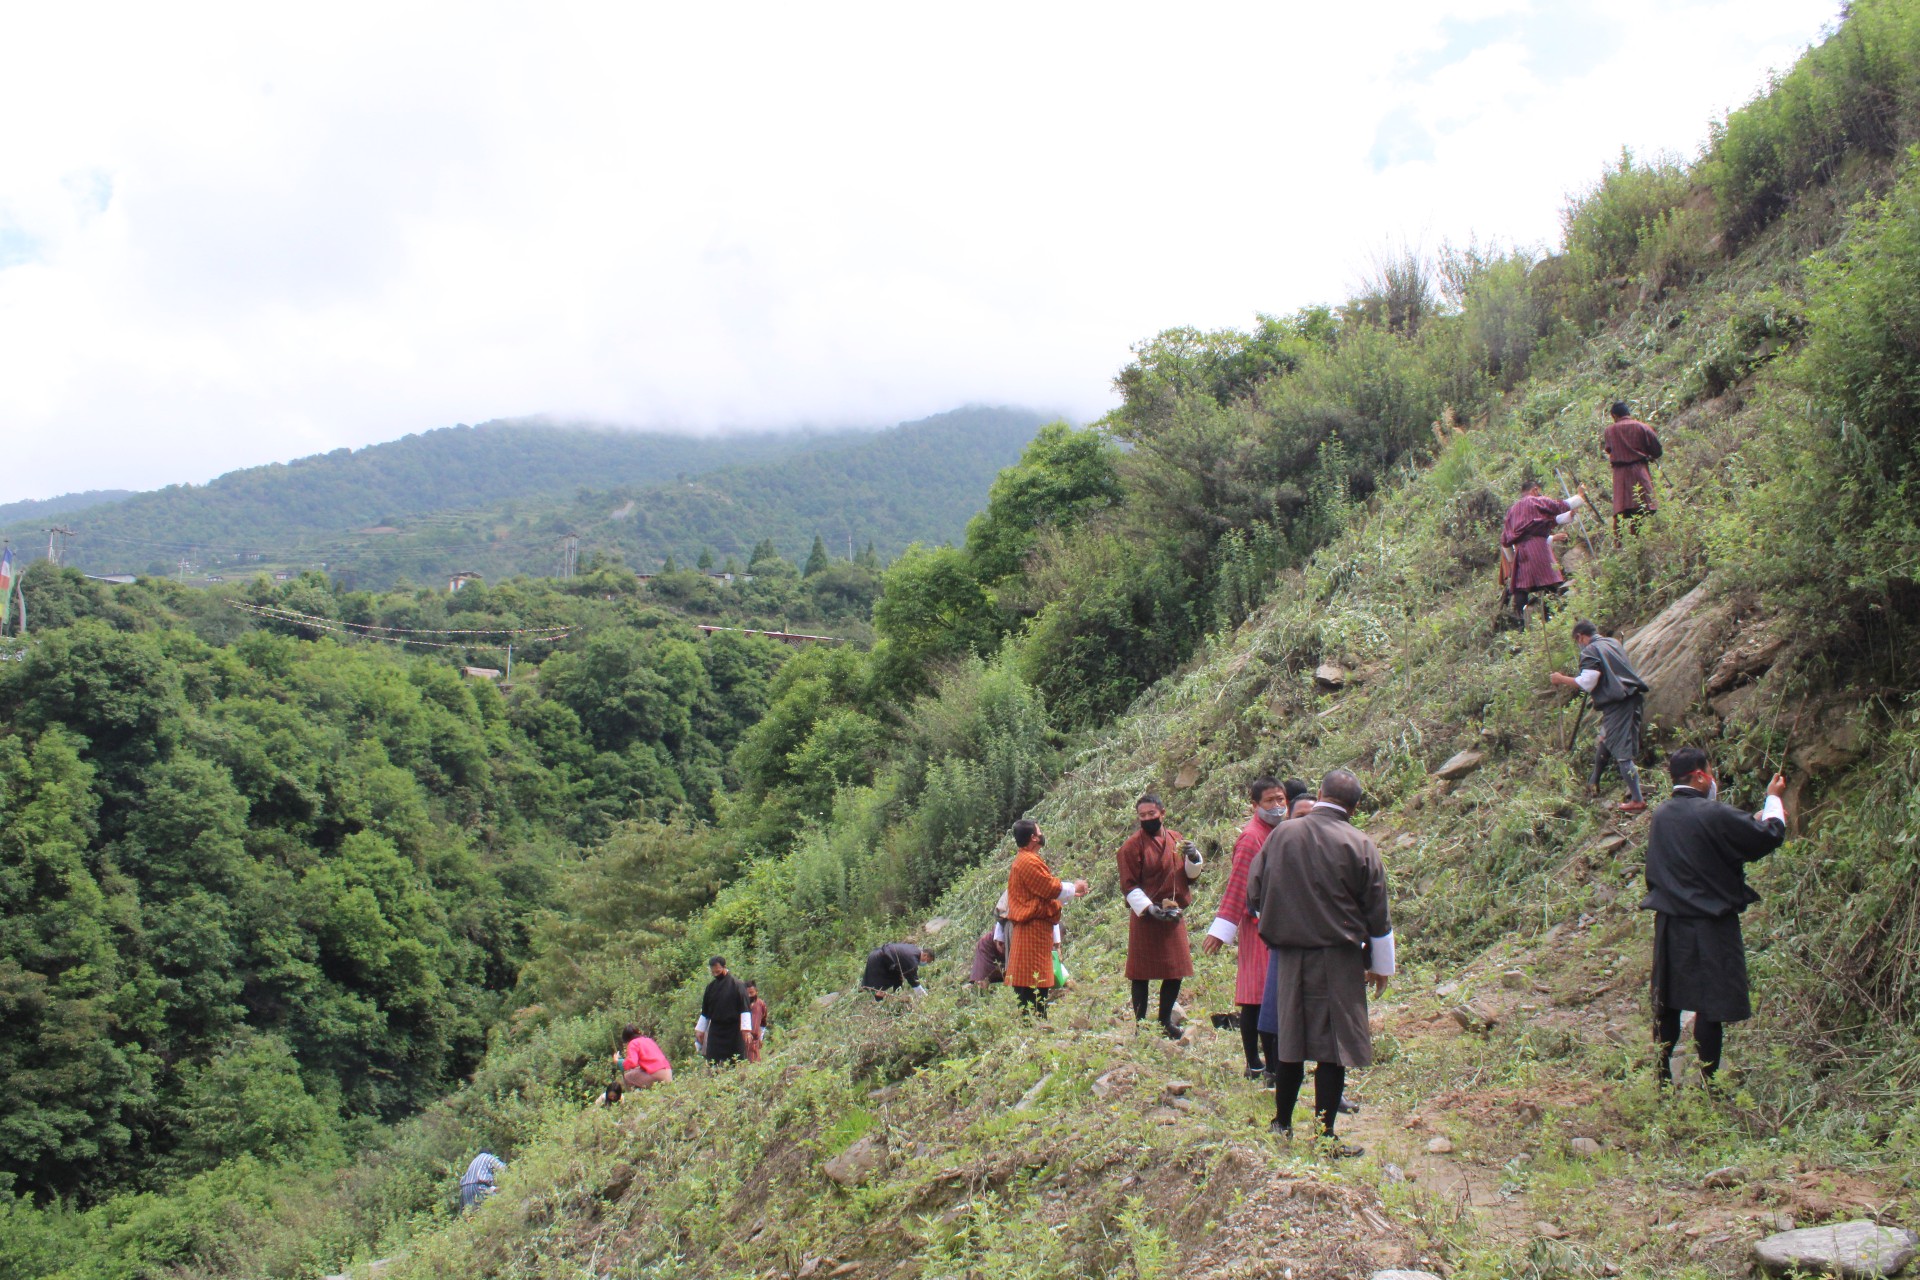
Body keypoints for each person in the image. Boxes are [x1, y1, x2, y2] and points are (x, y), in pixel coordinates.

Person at [1246, 769, 1393, 1156]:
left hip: (1290, 954)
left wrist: (1278, 922)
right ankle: (1324, 1136)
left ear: (1322, 793)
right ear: (1355, 806)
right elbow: (1377, 911)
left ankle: (1282, 1125)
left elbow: (1254, 889)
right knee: (1334, 1048)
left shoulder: (1282, 836)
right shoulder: (1360, 843)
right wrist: (1380, 965)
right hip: (1339, 958)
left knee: (1291, 1041)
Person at [1642, 748, 1787, 1087]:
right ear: (1699, 776)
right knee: (1712, 1003)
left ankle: (1662, 1077)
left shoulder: (1662, 814)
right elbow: (1768, 835)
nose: (1714, 779)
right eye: (1711, 771)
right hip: (1710, 922)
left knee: (1670, 1000)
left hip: (1670, 921)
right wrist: (1773, 799)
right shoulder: (1712, 813)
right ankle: (1711, 1085)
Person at [1202, 777, 1287, 1081]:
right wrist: (1221, 930)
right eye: (1269, 801)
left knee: (1263, 994)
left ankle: (1266, 1064)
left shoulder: (1279, 832)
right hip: (1258, 925)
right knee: (1257, 995)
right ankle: (1259, 1063)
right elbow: (1239, 885)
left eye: (1281, 800)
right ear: (1254, 805)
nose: (1277, 807)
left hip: (1279, 924)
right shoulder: (1252, 837)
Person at [1117, 794, 1202, 1039]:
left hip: (1173, 912)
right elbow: (1128, 884)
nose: (1147, 819)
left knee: (1175, 970)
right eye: (1142, 816)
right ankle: (1141, 1026)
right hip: (1146, 915)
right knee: (1140, 973)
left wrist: (1194, 857)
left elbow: (1189, 875)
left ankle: (1165, 1020)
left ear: (1162, 814)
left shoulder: (1176, 839)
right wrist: (1150, 909)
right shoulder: (1131, 847)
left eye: (1151, 815)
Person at [1549, 619, 1651, 813]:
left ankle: (1637, 799)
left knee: (1623, 754)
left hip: (1619, 704)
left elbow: (1587, 682)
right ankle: (1594, 781)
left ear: (1580, 637)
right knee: (1605, 738)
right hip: (1631, 698)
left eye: (1577, 641)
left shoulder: (1590, 651)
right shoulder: (1613, 643)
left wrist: (1560, 679)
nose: (1578, 645)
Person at [1004, 819, 1088, 1017]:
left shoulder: (1026, 859)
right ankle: (1035, 1020)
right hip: (1031, 927)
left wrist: (1068, 894)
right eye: (1039, 832)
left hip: (1034, 928)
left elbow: (1042, 893)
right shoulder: (1028, 861)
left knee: (1032, 977)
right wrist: (1075, 887)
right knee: (1034, 978)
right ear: (1034, 837)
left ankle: (1033, 1019)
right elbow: (1049, 887)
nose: (1042, 835)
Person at [1500, 477, 1588, 626]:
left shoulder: (1512, 511)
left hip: (1521, 554)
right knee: (1551, 584)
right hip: (1538, 549)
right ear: (1535, 490)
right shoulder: (1534, 501)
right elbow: (1559, 505)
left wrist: (1511, 559)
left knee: (1522, 588)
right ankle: (1555, 618)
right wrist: (1579, 497)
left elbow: (1505, 540)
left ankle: (1521, 624)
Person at [1603, 401, 1663, 538]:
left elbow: (1609, 449)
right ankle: (1637, 538)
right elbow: (1657, 450)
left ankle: (1618, 542)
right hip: (1639, 470)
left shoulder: (1609, 431)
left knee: (1619, 510)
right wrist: (1649, 455)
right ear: (1628, 413)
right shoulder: (1642, 427)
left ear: (1614, 415)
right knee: (1642, 507)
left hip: (1620, 474)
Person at [695, 956, 753, 1064]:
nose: (716, 974)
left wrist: (746, 1031)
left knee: (735, 1061)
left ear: (724, 967)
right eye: (713, 972)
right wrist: (700, 1030)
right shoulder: (710, 988)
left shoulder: (737, 985)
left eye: (718, 971)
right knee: (714, 1062)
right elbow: (705, 1011)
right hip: (715, 1031)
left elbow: (745, 1008)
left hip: (733, 1030)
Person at [861, 942, 935, 998]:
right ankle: (873, 1001)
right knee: (877, 987)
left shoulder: (914, 950)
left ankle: (896, 995)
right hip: (879, 960)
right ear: (925, 955)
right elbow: (914, 982)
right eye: (928, 961)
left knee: (897, 977)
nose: (926, 963)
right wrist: (925, 997)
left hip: (879, 956)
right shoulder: (912, 960)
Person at [620, 1024, 672, 1090]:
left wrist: (620, 1062)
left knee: (627, 1077)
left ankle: (635, 1096)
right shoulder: (648, 1040)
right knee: (637, 1070)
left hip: (658, 1076)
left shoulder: (633, 1043)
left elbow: (632, 1062)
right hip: (668, 1074)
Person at [970, 922, 1007, 989]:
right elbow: (981, 975)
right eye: (1001, 944)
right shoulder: (986, 942)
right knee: (980, 983)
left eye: (1005, 945)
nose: (1003, 947)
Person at [745, 983, 769, 1063]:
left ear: (756, 992)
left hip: (754, 1040)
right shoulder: (742, 1005)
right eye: (747, 993)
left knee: (754, 1064)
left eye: (751, 993)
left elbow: (763, 1023)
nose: (749, 995)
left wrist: (761, 1038)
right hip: (743, 1040)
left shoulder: (760, 1004)